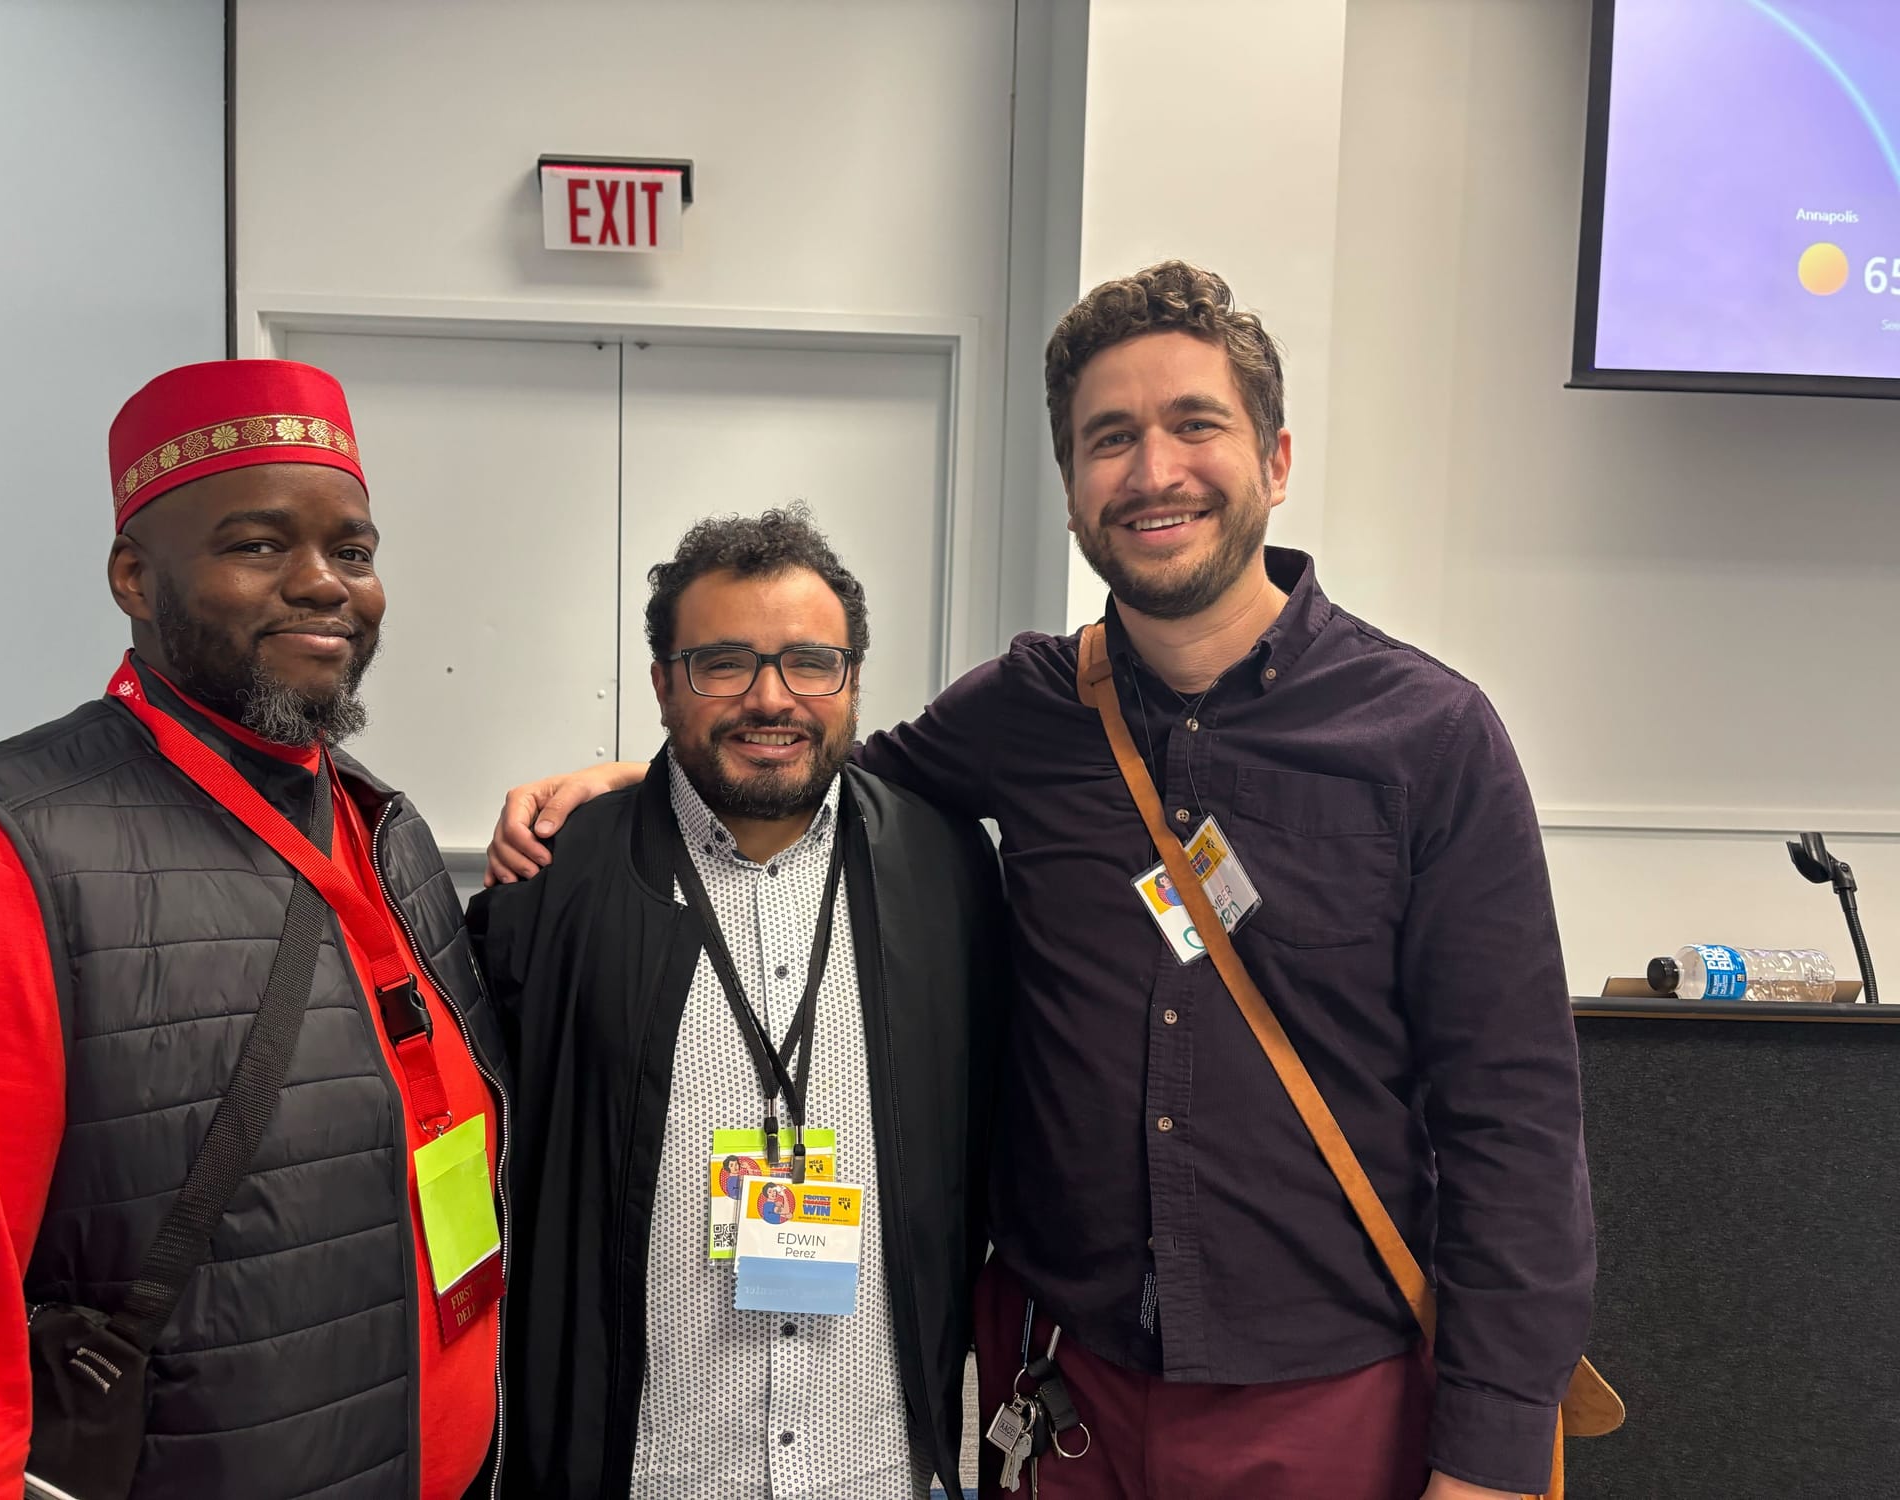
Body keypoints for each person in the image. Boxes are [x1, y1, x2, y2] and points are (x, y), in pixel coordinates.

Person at [487, 263, 1596, 1500]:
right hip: (1064, 1403)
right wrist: (635, 783)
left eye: (1194, 425)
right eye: (1107, 439)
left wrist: (1489, 1457)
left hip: (1323, 1398)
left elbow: (1513, 1118)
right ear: (1071, 488)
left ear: (1274, 460)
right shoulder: (1023, 711)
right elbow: (815, 774)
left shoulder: (1425, 738)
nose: (1152, 469)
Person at [0, 361, 511, 1500]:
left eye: (354, 551)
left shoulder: (384, 828)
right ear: (136, 577)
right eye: (260, 545)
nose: (325, 585)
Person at [466, 509, 1004, 1499]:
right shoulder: (552, 885)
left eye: (810, 662)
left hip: (876, 1469)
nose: (771, 699)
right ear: (665, 682)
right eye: (722, 663)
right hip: (638, 1469)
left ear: (849, 680)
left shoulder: (946, 869)